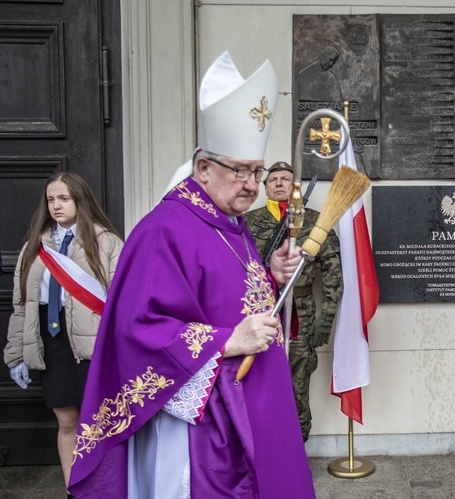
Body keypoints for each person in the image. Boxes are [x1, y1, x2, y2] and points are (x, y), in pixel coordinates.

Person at [68, 52, 316, 498]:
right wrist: (227, 341)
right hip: (199, 425)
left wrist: (272, 275)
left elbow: (225, 293)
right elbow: (138, 329)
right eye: (240, 170)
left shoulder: (230, 223)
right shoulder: (164, 230)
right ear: (203, 167)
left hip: (249, 398)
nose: (252, 185)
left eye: (256, 172)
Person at [4, 172, 123, 494]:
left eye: (64, 198)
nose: (56, 205)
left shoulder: (107, 242)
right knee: (67, 422)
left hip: (95, 347)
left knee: (100, 424)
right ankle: (75, 489)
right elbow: (22, 305)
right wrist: (15, 354)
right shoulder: (35, 246)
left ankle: (105, 489)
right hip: (53, 344)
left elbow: (124, 302)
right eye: (50, 199)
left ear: (80, 200)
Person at [245, 161, 343, 441]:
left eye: (286, 179)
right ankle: (261, 454)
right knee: (257, 385)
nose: (279, 183)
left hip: (301, 315)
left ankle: (298, 454)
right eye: (273, 178)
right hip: (257, 315)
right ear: (264, 187)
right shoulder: (247, 222)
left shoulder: (315, 222)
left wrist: (326, 319)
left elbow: (334, 273)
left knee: (297, 387)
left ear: (296, 188)